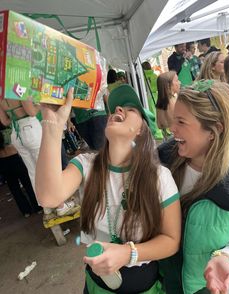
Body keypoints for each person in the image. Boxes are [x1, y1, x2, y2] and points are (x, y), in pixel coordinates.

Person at [36, 85, 181, 293]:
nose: (118, 110)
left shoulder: (159, 177)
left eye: (130, 109)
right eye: (115, 109)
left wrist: (128, 253)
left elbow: (171, 241)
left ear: (141, 129)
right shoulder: (86, 165)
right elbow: (48, 197)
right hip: (97, 285)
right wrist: (52, 124)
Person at [157, 80, 229, 294]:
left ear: (214, 130)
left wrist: (227, 256)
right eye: (174, 119)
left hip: (207, 286)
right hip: (167, 282)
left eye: (181, 122)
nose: (172, 129)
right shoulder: (161, 163)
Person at [0, 125, 42, 217]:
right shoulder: (9, 129)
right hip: (15, 158)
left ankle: (26, 211)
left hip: (2, 161)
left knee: (14, 188)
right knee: (27, 183)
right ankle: (37, 207)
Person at [156, 71, 180, 140]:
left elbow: (159, 125)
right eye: (177, 80)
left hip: (167, 139)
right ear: (168, 86)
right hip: (177, 138)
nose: (179, 82)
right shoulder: (174, 102)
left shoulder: (160, 103)